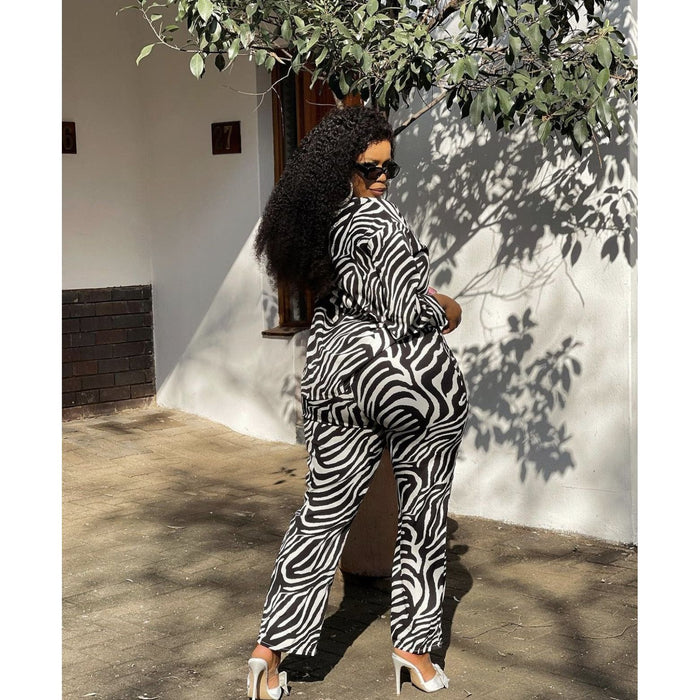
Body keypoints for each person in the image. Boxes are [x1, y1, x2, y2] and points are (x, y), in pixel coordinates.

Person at [247, 105, 469, 699]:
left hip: (336, 382)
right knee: (423, 516)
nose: (382, 178)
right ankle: (414, 652)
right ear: (340, 168)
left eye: (389, 168)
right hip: (409, 385)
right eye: (370, 168)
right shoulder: (377, 221)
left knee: (320, 516)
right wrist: (447, 306)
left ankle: (270, 653)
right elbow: (405, 309)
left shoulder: (315, 225)